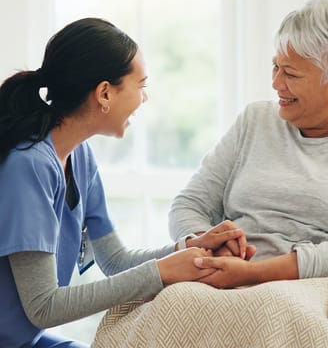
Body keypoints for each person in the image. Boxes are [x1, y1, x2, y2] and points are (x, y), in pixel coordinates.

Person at [0, 18, 246, 348]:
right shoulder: (29, 165)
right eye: (140, 85)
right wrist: (163, 272)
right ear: (104, 93)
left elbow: (115, 261)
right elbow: (44, 307)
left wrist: (189, 248)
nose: (145, 98)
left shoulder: (80, 157)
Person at [168, 0, 328, 289]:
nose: (276, 84)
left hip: (310, 291)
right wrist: (207, 243)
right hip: (219, 279)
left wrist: (253, 273)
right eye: (275, 67)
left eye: (291, 74)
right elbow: (189, 204)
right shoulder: (255, 120)